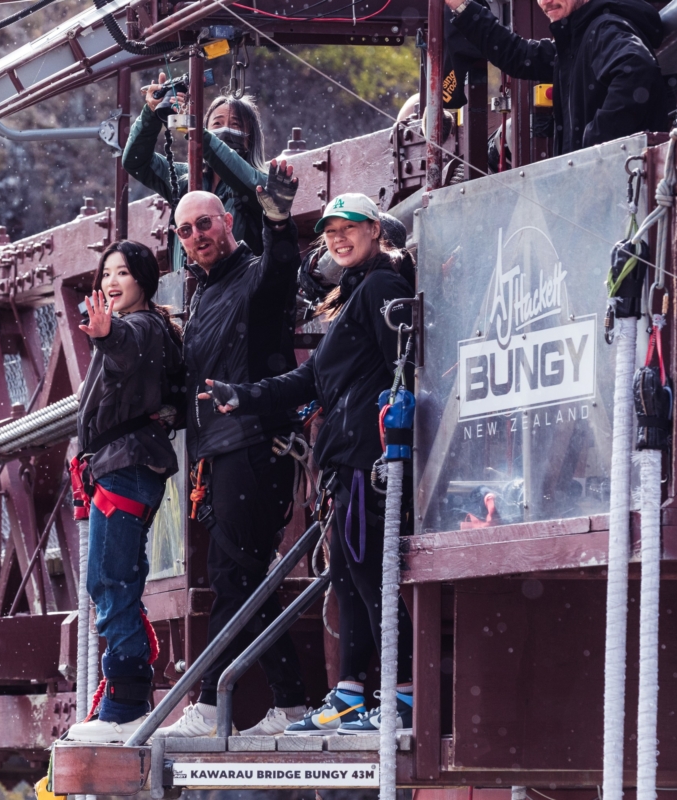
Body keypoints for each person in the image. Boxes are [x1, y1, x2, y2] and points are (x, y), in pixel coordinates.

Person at [200, 192, 416, 736]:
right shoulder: (356, 295)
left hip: (369, 456)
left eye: (348, 228)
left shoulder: (383, 286)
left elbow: (403, 370)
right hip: (346, 457)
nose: (338, 238)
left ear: (374, 229)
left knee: (369, 577)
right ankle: (349, 694)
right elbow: (307, 380)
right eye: (330, 231)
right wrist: (241, 396)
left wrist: (394, 439)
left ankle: (404, 694)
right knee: (347, 576)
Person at [154, 160, 308, 739]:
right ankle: (288, 702)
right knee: (240, 577)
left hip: (254, 445)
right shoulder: (204, 297)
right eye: (187, 230)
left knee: (237, 573)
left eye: (205, 224)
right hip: (221, 453)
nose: (198, 236)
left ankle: (213, 704)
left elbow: (281, 275)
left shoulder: (252, 276)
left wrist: (278, 221)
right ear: (180, 242)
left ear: (226, 223)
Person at [65, 241, 185, 743]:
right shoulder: (151, 327)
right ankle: (126, 692)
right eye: (106, 273)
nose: (112, 281)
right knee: (110, 582)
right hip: (122, 467)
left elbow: (127, 349)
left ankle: (127, 701)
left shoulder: (139, 328)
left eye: (123, 273)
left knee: (113, 583)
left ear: (143, 281)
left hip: (126, 469)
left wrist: (106, 334)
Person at [444, 0, 668, 154]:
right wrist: (462, 6)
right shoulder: (577, 40)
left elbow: (638, 68)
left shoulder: (605, 28)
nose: (546, 1)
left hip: (621, 193)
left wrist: (594, 146)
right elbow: (519, 55)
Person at [122, 74, 269, 270]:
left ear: (250, 138)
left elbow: (243, 178)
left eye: (235, 125)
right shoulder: (186, 180)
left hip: (238, 290)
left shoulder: (261, 184)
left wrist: (195, 130)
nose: (225, 130)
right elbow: (136, 162)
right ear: (206, 127)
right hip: (190, 295)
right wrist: (151, 113)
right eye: (217, 123)